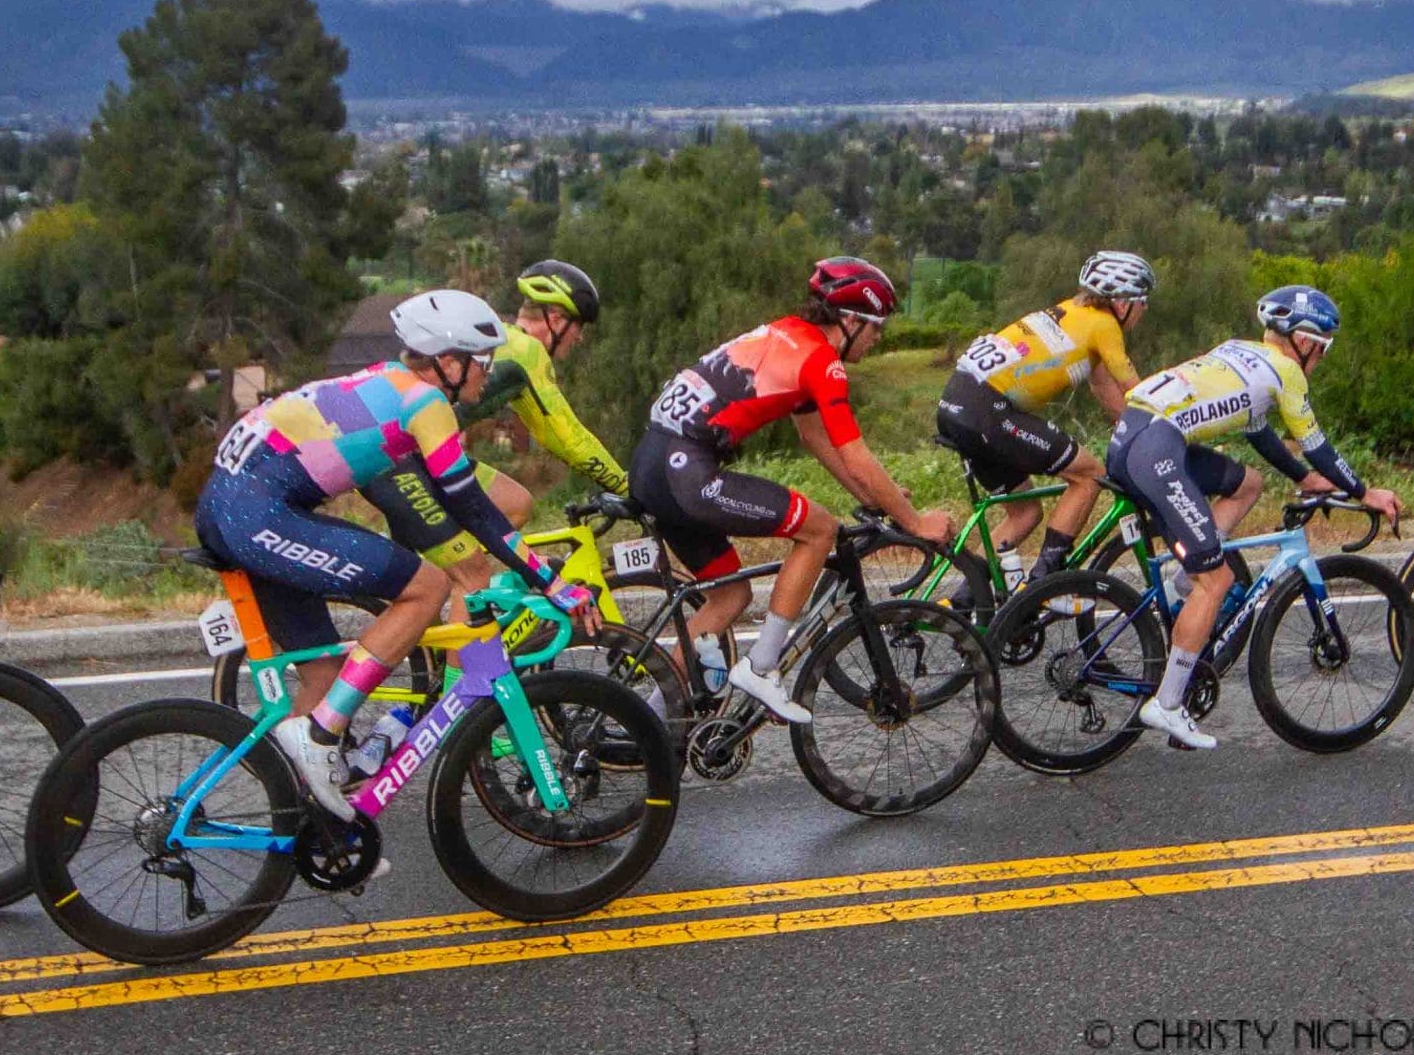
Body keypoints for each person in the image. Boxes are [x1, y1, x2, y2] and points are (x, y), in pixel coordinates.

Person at [192, 289, 595, 817]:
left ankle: (302, 815)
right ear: (448, 363)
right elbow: (475, 509)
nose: (486, 372)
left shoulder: (387, 378)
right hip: (256, 513)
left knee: (323, 672)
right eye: (482, 361)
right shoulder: (426, 403)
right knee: (426, 587)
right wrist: (552, 583)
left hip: (228, 503)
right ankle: (321, 736)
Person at [629, 256, 948, 724]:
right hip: (688, 473)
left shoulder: (785, 332)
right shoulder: (823, 361)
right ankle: (762, 667)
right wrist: (915, 521)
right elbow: (855, 452)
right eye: (876, 326)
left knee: (730, 597)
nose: (880, 338)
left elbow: (814, 437)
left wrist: (872, 495)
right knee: (819, 530)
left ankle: (647, 721)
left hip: (653, 463)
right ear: (851, 320)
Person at [1104, 285, 1404, 750]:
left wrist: (1305, 479)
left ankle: (1190, 574)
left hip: (1136, 435)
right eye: (1321, 349)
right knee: (1216, 582)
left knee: (1248, 483)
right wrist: (1365, 492)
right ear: (1303, 341)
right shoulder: (1286, 372)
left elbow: (1261, 435)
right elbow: (1318, 445)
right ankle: (1166, 703)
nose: (1320, 360)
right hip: (1155, 449)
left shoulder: (1241, 352)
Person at [372, 260, 629, 598]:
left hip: (405, 454)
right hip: (403, 461)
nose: (579, 339)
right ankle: (463, 649)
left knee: (517, 503)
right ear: (556, 319)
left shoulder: (502, 340)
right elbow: (567, 439)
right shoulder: (526, 352)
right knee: (473, 569)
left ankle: (443, 613)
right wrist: (626, 486)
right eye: (578, 326)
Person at [936, 251, 1151, 580]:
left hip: (958, 403)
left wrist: (1137, 430)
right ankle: (1045, 584)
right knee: (1090, 475)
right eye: (1143, 301)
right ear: (1122, 303)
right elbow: (1136, 391)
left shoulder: (1072, 311)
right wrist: (1167, 427)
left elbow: (1104, 387)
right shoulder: (1105, 325)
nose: (1145, 310)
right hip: (987, 411)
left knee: (1024, 513)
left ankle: (972, 598)